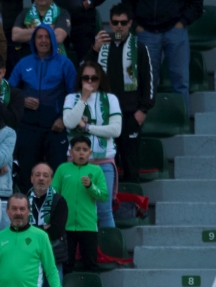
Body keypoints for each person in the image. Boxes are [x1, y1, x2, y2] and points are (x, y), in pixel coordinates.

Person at [93, 4, 154, 183]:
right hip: (105, 114)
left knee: (131, 163)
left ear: (130, 23)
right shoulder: (101, 47)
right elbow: (85, 73)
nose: (119, 26)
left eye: (123, 22)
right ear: (109, 24)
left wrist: (143, 110)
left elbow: (149, 81)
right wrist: (94, 49)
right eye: (115, 22)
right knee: (106, 163)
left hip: (130, 115)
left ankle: (132, 207)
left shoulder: (140, 48)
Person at [9, 24, 75, 186]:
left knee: (58, 174)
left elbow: (74, 95)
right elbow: (8, 91)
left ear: (53, 40)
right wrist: (22, 100)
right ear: (34, 40)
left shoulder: (65, 63)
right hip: (28, 128)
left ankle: (57, 209)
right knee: (26, 175)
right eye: (39, 37)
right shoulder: (23, 63)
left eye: (47, 37)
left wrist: (63, 119)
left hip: (55, 128)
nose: (43, 41)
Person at [63, 61, 121, 228]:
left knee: (104, 211)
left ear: (100, 79)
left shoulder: (110, 99)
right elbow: (69, 122)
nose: (89, 82)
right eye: (85, 78)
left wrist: (87, 127)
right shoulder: (71, 98)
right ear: (80, 79)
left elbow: (116, 130)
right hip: (76, 164)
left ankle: (108, 252)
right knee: (76, 210)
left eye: (94, 78)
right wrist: (83, 98)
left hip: (104, 163)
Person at [52, 135, 108, 272]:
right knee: (66, 264)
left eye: (84, 149)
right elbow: (53, 194)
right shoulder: (62, 169)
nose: (81, 152)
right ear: (71, 152)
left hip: (88, 225)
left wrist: (91, 187)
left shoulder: (96, 170)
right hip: (66, 225)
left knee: (90, 264)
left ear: (90, 152)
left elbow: (104, 196)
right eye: (77, 149)